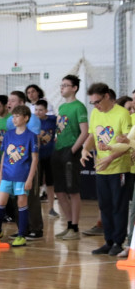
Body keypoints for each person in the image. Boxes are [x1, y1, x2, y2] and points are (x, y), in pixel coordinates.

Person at [81, 82, 134, 256]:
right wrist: (84, 149)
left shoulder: (122, 113)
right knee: (104, 206)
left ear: (107, 96)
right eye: (92, 103)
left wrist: (110, 158)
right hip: (101, 168)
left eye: (97, 102)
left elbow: (127, 143)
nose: (95, 106)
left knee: (118, 205)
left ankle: (118, 242)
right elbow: (92, 136)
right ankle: (108, 241)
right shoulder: (96, 113)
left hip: (119, 168)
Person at [0, 106, 40, 247]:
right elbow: (4, 156)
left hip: (22, 176)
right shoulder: (8, 135)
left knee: (21, 203)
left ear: (26, 118)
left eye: (17, 116)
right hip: (7, 175)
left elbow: (35, 159)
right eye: (13, 116)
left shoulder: (31, 136)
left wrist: (30, 179)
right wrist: (0, 174)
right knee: (0, 202)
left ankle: (21, 235)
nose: (14, 119)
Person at [53, 74, 89, 241]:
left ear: (74, 88)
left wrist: (73, 150)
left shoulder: (79, 107)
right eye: (61, 85)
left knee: (72, 190)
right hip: (58, 150)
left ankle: (75, 227)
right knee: (59, 191)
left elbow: (84, 132)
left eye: (66, 85)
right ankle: (68, 225)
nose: (62, 88)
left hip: (70, 152)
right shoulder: (61, 107)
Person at [34, 99, 59, 224]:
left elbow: (62, 125)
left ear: (46, 111)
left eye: (41, 110)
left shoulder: (52, 120)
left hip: (50, 156)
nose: (38, 112)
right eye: (36, 110)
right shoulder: (32, 121)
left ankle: (51, 208)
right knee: (36, 184)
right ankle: (35, 209)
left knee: (50, 183)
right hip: (37, 157)